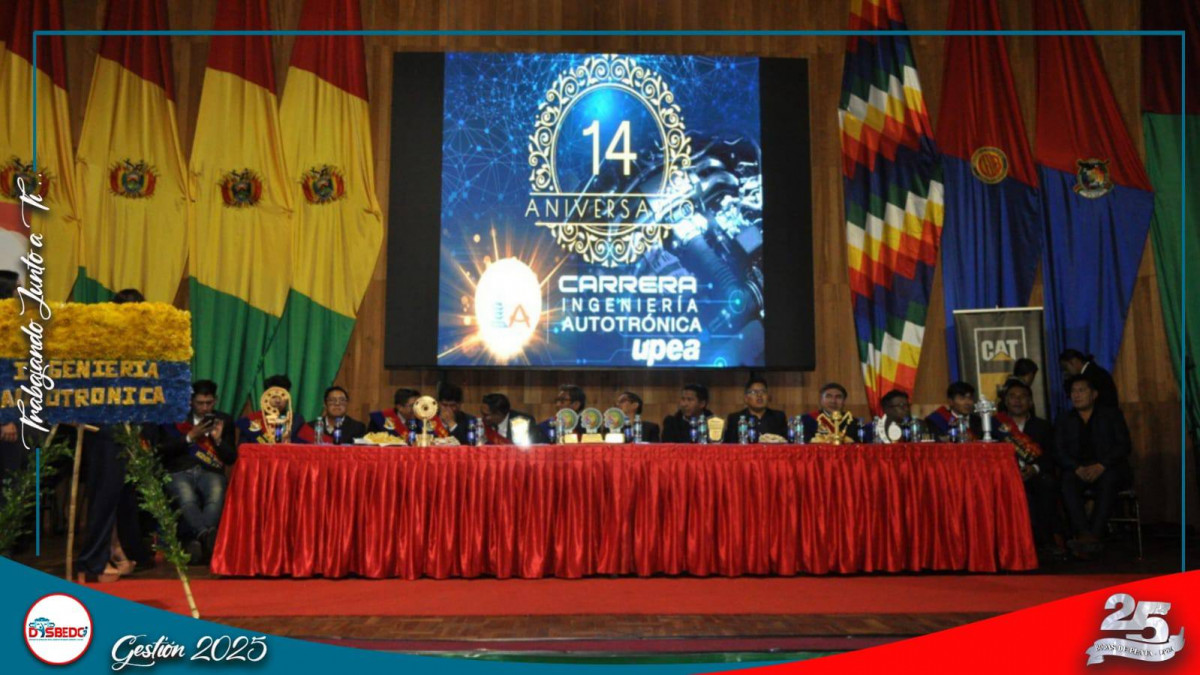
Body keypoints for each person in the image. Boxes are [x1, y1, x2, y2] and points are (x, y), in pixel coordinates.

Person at [76, 289, 152, 582]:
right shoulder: (103, 343)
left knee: (118, 497)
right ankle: (91, 562)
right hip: (105, 426)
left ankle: (112, 551)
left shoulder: (136, 345)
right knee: (103, 496)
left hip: (126, 426)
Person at [148, 380, 236, 564]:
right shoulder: (176, 419)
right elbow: (161, 449)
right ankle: (205, 538)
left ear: (215, 400)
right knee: (187, 498)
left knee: (215, 496)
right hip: (179, 469)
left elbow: (231, 458)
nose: (205, 407)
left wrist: (218, 441)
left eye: (209, 403)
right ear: (190, 401)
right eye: (200, 403)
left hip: (210, 470)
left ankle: (195, 542)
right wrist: (189, 437)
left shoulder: (223, 420)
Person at [1055, 375, 1132, 558]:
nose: (1076, 395)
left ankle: (1093, 535)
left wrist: (1102, 465)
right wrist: (1076, 468)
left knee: (1110, 480)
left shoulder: (1111, 415)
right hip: (1078, 470)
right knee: (1067, 482)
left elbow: (1124, 445)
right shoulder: (1064, 419)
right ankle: (1084, 534)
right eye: (1073, 391)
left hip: (1106, 468)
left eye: (1082, 390)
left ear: (1094, 394)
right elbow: (1058, 451)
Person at [995, 379, 1059, 554]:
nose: (1017, 400)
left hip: (1034, 475)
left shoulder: (1043, 426)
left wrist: (1035, 469)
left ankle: (1044, 541)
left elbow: (1051, 455)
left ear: (1030, 402)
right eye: (1012, 396)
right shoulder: (995, 426)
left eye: (1022, 397)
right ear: (1005, 401)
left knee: (1046, 485)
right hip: (1004, 477)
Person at [237, 374, 306, 444]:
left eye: (282, 396)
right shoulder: (251, 421)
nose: (278, 401)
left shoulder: (296, 420)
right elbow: (243, 449)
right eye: (274, 397)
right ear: (265, 396)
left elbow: (305, 447)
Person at [723, 377, 787, 442]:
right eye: (754, 392)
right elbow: (729, 445)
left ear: (768, 397)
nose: (759, 395)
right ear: (746, 398)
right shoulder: (735, 419)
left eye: (763, 391)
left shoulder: (778, 417)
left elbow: (786, 442)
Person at [297, 386, 367, 444]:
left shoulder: (358, 428)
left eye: (342, 400)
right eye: (332, 400)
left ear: (347, 404)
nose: (337, 404)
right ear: (325, 404)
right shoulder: (311, 427)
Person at [800, 383, 865, 442]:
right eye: (828, 396)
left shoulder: (853, 422)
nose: (833, 401)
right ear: (821, 400)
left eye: (838, 397)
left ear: (844, 401)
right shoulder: (807, 421)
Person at [481, 393, 545, 444]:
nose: (483, 418)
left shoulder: (523, 423)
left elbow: (535, 447)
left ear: (499, 414)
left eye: (486, 415)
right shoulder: (482, 425)